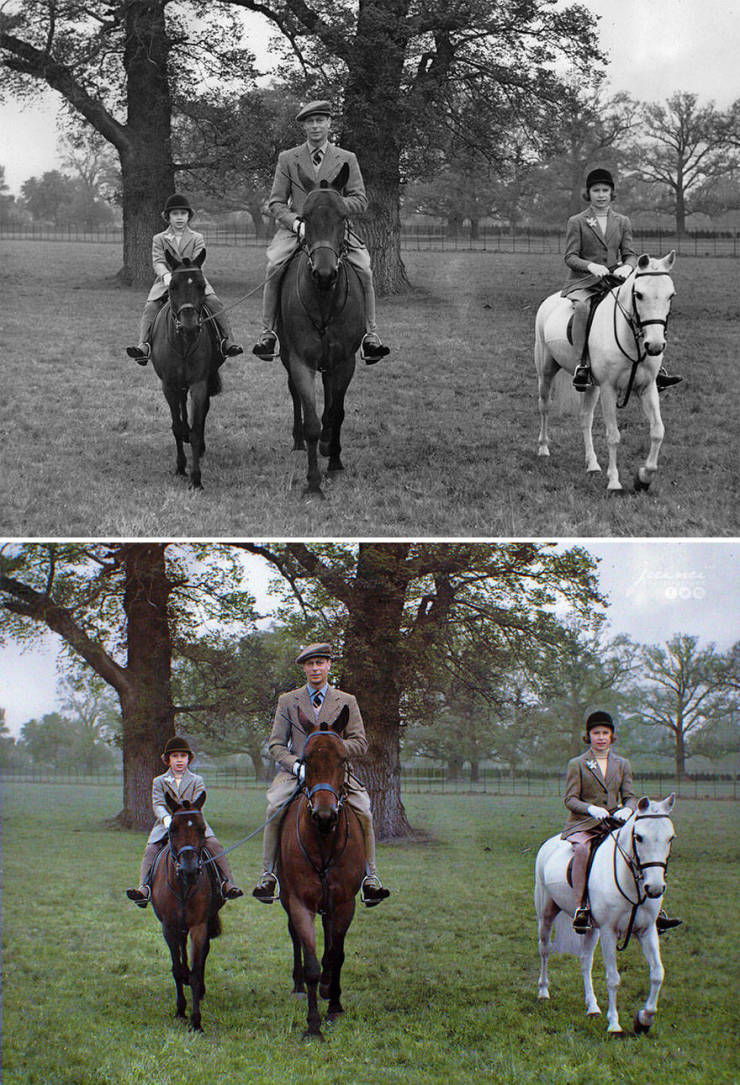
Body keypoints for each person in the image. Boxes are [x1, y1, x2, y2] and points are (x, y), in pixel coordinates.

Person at [251, 101, 390, 365]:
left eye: (320, 121)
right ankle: (268, 333)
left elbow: (360, 200)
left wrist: (332, 207)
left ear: (329, 124)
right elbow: (276, 202)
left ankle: (370, 336)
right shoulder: (287, 159)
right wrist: (296, 223)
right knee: (274, 266)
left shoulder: (347, 158)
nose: (315, 126)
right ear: (304, 126)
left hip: (334, 229)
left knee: (364, 269)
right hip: (298, 229)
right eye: (310, 122)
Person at [252, 642, 390, 906]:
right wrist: (296, 765)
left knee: (363, 809)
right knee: (274, 808)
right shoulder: (288, 701)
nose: (315, 668)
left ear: (328, 666)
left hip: (335, 773)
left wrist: (332, 749)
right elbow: (276, 744)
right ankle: (268, 875)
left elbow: (360, 742)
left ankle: (370, 878)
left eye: (320, 663)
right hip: (298, 773)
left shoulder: (346, 701)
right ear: (304, 668)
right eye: (310, 664)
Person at [562, 708, 681, 935]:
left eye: (605, 733)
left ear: (611, 736)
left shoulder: (622, 764)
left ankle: (654, 911)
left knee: (640, 851)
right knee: (582, 852)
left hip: (614, 822)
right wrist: (590, 809)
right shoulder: (577, 764)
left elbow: (629, 796)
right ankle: (582, 908)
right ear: (589, 736)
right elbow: (569, 799)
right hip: (583, 824)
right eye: (596, 733)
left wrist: (628, 809)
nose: (601, 737)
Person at [562, 168, 682, 393]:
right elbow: (570, 257)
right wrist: (590, 266)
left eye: (605, 190)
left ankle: (655, 368)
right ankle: (583, 365)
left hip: (614, 279)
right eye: (596, 190)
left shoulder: (623, 221)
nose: (601, 195)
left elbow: (629, 253)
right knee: (582, 308)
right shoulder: (576, 221)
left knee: (639, 307)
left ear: (611, 193)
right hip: (584, 281)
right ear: (588, 193)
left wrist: (628, 266)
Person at [126, 194, 242, 365]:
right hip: (167, 282)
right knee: (151, 307)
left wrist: (190, 276)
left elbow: (199, 262)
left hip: (193, 281)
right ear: (168, 217)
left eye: (183, 214)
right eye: (175, 214)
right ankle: (144, 345)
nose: (179, 217)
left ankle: (227, 340)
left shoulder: (197, 238)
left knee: (214, 302)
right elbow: (158, 261)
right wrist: (166, 275)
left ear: (188, 216)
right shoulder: (159, 239)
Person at [126, 735, 243, 906]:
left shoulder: (197, 780)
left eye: (183, 756)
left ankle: (227, 883)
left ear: (189, 759)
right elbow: (158, 804)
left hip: (193, 824)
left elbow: (198, 804)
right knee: (151, 849)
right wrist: (166, 819)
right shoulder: (159, 781)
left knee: (214, 845)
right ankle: (144, 888)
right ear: (168, 760)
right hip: (167, 824)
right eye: (175, 756)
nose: (179, 760)